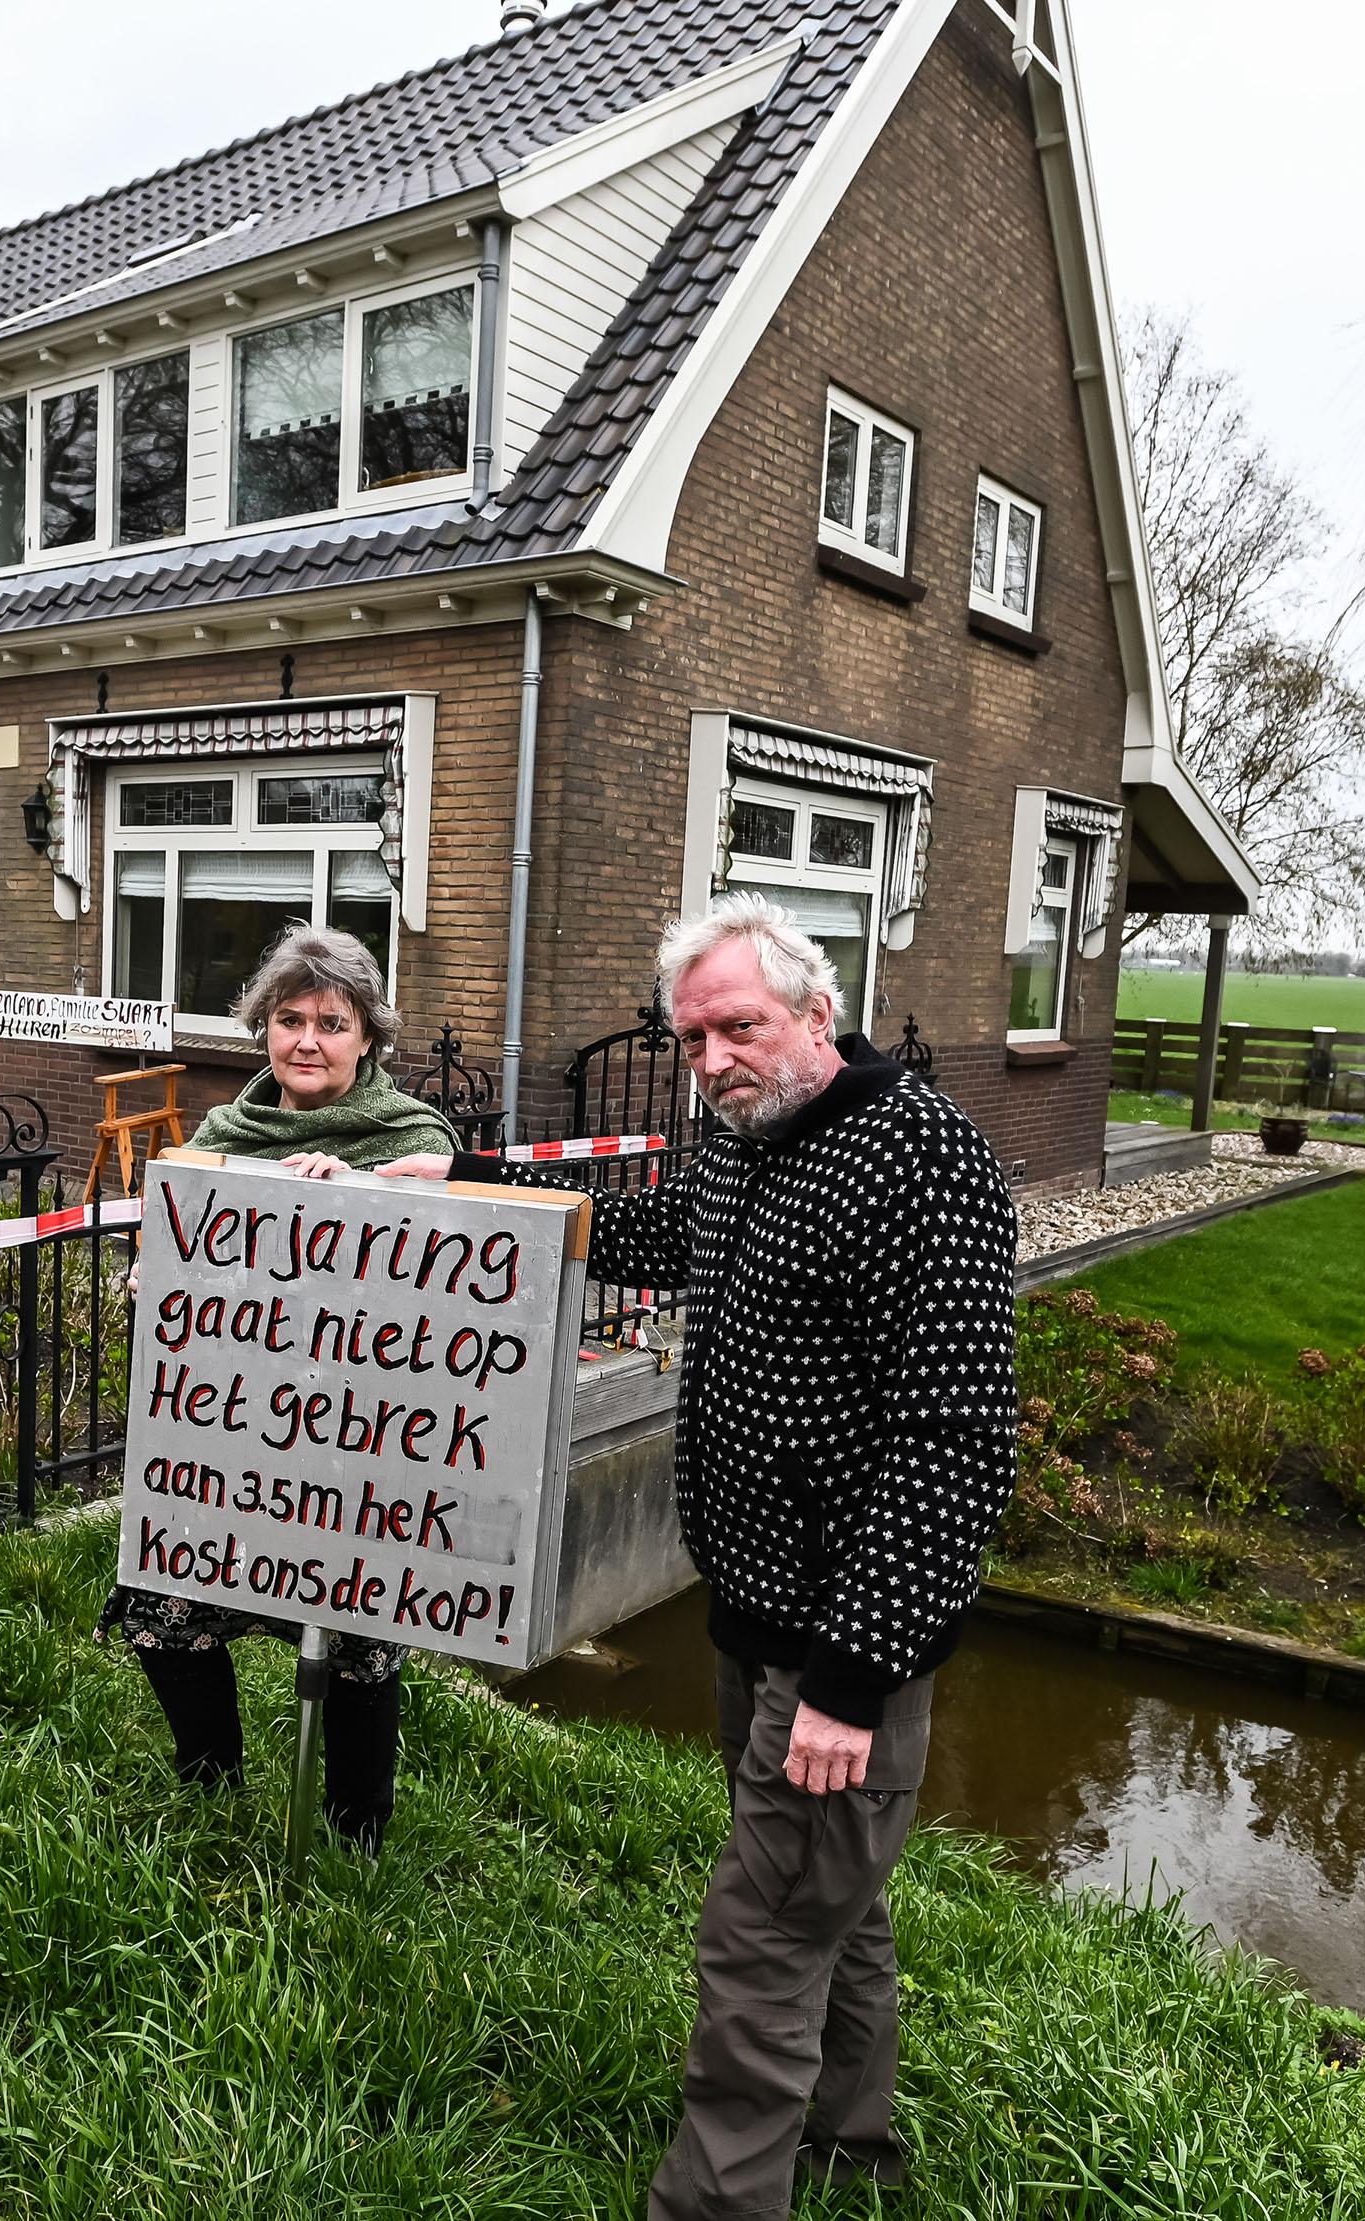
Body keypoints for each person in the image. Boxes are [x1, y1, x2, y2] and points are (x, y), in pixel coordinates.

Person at [381, 893, 1019, 2218]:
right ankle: (851, 2146)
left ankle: (717, 2197)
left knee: (757, 1940)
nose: (711, 1057)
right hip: (751, 1609)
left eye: (736, 1026)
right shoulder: (739, 1140)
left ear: (813, 1014)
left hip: (836, 1643)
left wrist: (849, 1679)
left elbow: (951, 1438)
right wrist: (466, 1185)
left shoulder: (924, 1160)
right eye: (690, 1037)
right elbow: (658, 1235)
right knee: (817, 1903)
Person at [103, 922, 458, 1851]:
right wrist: (157, 1272)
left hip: (354, 1438)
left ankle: (355, 1832)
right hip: (233, 1432)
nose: (307, 1040)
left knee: (354, 1635)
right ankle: (209, 1788)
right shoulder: (221, 1137)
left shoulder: (415, 1136)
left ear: (368, 1037)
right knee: (167, 1605)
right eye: (288, 1018)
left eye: (331, 1022)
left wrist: (358, 1197)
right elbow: (190, 1284)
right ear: (262, 1028)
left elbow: (441, 1291)